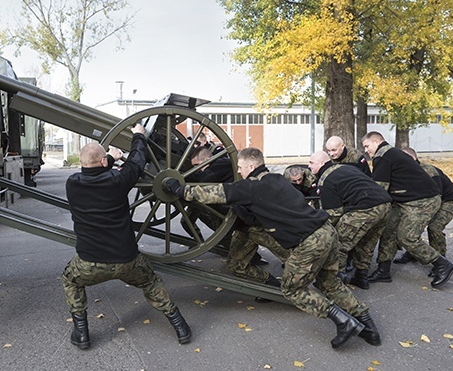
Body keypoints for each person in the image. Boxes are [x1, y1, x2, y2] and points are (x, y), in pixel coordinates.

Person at [163, 147, 380, 348]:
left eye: (240, 167)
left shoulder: (251, 187)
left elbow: (215, 193)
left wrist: (180, 190)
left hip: (309, 241)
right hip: (327, 232)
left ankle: (343, 321)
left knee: (292, 290)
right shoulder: (277, 178)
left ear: (250, 166)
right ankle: (369, 328)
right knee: (329, 282)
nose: (238, 171)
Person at [62, 123, 191, 349]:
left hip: (89, 263)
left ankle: (81, 333)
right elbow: (137, 162)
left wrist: (108, 159)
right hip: (127, 260)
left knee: (69, 279)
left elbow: (94, 168)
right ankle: (180, 326)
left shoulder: (72, 183)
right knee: (151, 282)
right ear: (103, 163)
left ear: (82, 163)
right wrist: (139, 135)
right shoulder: (117, 181)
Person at [361, 132, 453, 288]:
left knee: (407, 237)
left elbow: (379, 190)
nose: (366, 150)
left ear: (376, 141)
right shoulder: (391, 154)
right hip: (405, 200)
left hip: (422, 201)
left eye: (367, 146)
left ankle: (442, 264)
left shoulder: (383, 156)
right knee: (389, 229)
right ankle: (383, 270)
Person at [308, 151, 392, 290]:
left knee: (339, 244)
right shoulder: (344, 167)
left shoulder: (325, 179)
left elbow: (334, 213)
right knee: (366, 244)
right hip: (385, 205)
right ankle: (361, 278)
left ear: (322, 163)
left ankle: (335, 283)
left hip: (365, 208)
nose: (309, 166)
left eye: (312, 163)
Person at [183, 146, 271, 266]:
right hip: (222, 204)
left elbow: (204, 179)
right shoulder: (217, 165)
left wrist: (182, 178)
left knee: (229, 234)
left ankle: (253, 258)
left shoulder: (219, 165)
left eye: (197, 165)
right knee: (189, 221)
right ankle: (199, 241)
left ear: (208, 159)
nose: (197, 169)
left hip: (232, 207)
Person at [395, 148, 453, 272]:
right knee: (412, 224)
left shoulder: (428, 171)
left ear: (413, 159)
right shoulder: (408, 172)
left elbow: (436, 196)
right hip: (429, 201)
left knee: (434, 227)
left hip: (447, 201)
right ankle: (413, 253)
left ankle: (442, 260)